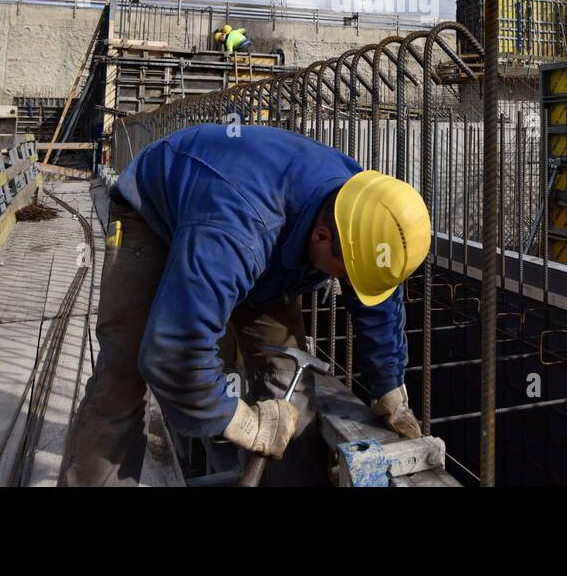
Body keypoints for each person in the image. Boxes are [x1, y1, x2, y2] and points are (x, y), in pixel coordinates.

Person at [59, 123, 429, 487]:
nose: (346, 286)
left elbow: (375, 298)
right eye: (343, 276)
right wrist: (241, 422)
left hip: (263, 246)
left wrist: (389, 386)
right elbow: (175, 354)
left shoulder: (366, 213)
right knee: (123, 376)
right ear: (320, 235)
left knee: (290, 383)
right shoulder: (237, 228)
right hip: (155, 217)